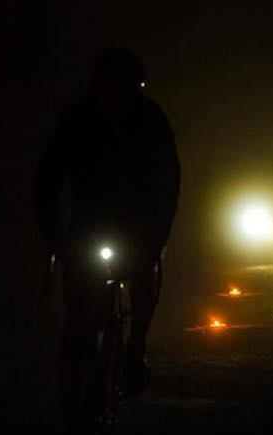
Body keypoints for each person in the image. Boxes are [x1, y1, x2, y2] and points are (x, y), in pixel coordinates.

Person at [35, 49, 181, 413]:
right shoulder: (76, 119)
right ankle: (72, 396)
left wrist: (158, 237)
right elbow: (48, 180)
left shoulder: (150, 119)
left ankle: (135, 349)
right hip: (89, 225)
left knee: (144, 280)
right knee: (79, 319)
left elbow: (168, 183)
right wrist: (55, 238)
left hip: (137, 225)